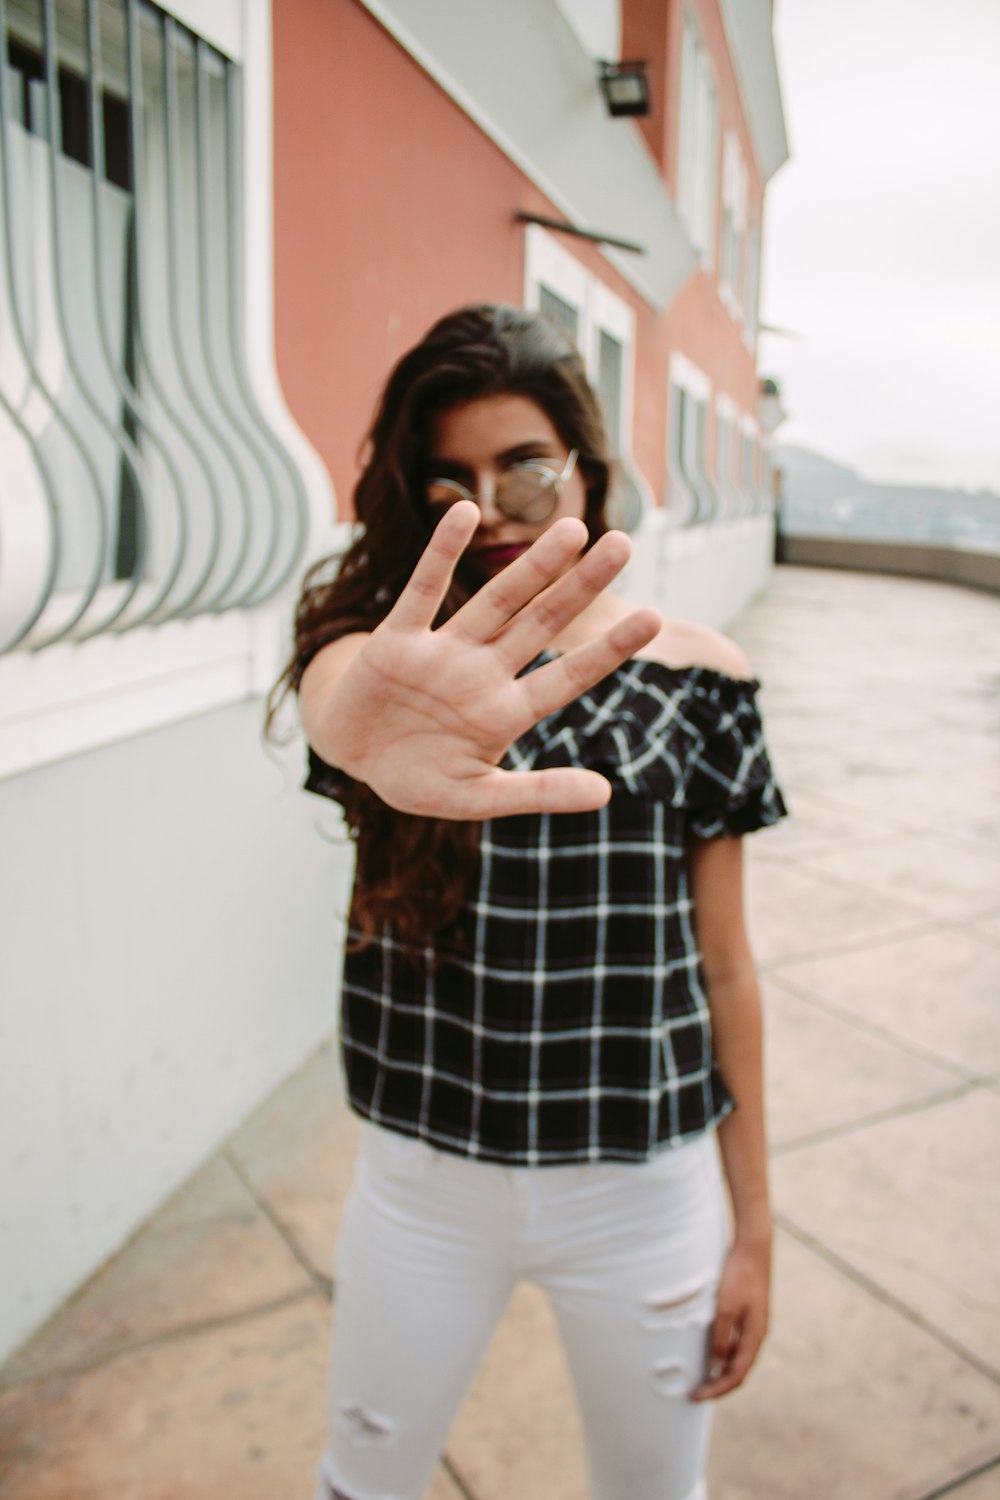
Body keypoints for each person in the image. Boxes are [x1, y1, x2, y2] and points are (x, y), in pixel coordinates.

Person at [271, 304, 787, 1500]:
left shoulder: (700, 677)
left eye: (523, 466)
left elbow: (727, 964)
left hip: (640, 1182)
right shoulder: (392, 666)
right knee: (363, 1483)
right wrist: (341, 702)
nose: (486, 505)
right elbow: (341, 694)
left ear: (586, 473)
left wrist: (752, 1223)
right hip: (425, 1178)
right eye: (447, 477)